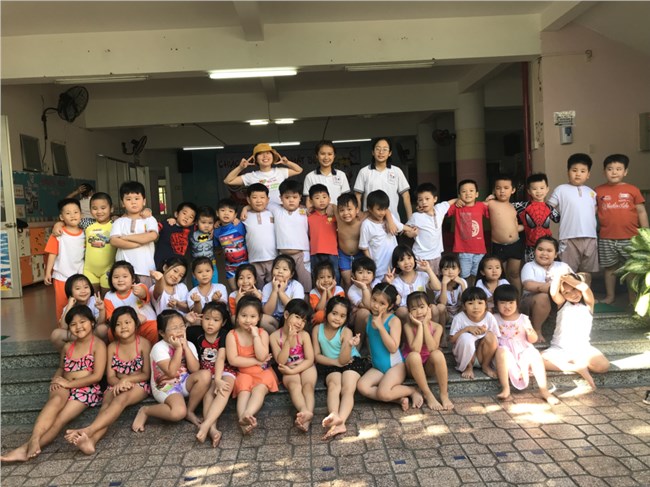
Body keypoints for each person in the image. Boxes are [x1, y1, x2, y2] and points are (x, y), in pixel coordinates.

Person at [1, 305, 106, 462]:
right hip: (64, 384)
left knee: (60, 419)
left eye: (82, 322)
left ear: (92, 322)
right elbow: (61, 368)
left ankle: (24, 449)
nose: (78, 327)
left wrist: (69, 385)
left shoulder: (98, 345)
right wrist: (56, 379)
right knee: (55, 401)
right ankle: (35, 439)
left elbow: (97, 376)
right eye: (73, 324)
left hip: (86, 389)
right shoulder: (68, 346)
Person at [64, 307, 152, 454]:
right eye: (118, 324)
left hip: (138, 384)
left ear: (136, 323)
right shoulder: (111, 347)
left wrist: (126, 381)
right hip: (115, 385)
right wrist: (119, 384)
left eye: (127, 322)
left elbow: (146, 374)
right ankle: (91, 441)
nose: (123, 327)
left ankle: (88, 430)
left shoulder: (144, 344)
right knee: (105, 406)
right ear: (113, 329)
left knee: (121, 399)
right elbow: (110, 376)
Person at [131, 309, 210, 432]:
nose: (179, 331)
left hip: (184, 381)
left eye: (182, 326)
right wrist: (178, 349)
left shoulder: (189, 344)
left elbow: (195, 369)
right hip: (165, 386)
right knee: (178, 413)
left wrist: (186, 347)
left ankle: (190, 411)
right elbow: (171, 373)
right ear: (162, 333)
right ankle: (146, 410)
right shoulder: (159, 348)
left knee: (205, 375)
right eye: (174, 328)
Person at [357, 283, 423, 410]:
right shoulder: (368, 319)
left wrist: (381, 328)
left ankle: (412, 390)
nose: (376, 305)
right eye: (374, 300)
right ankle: (398, 399)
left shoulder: (394, 321)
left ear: (390, 306)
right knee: (362, 386)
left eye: (382, 303)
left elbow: (393, 348)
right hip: (378, 368)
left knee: (383, 393)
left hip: (395, 367)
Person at [312, 296, 369, 440]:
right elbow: (316, 356)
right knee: (334, 385)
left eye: (342, 316)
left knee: (348, 388)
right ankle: (334, 414)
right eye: (334, 313)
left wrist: (349, 345)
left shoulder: (346, 331)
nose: (337, 318)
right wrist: (334, 362)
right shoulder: (317, 329)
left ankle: (341, 422)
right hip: (331, 363)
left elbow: (344, 360)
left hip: (351, 361)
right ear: (326, 312)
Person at [595, 154, 648, 304]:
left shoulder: (633, 190)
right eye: (610, 169)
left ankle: (632, 299)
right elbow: (591, 212)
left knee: (631, 269)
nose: (614, 172)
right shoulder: (598, 191)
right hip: (606, 237)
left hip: (631, 237)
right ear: (604, 171)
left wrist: (646, 233)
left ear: (625, 172)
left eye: (618, 169)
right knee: (610, 268)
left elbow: (641, 212)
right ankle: (610, 297)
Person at [542, 272, 610, 392]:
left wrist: (567, 278)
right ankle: (576, 367)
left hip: (582, 348)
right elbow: (553, 293)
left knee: (603, 366)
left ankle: (577, 360)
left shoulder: (588, 305)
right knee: (537, 360)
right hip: (560, 348)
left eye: (574, 289)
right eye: (566, 292)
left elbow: (585, 288)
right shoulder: (562, 304)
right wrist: (558, 277)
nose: (572, 295)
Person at [492, 284, 559, 404]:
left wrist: (531, 333)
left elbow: (532, 340)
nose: (507, 306)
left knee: (535, 354)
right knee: (502, 351)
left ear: (517, 303)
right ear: (496, 304)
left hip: (522, 351)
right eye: (502, 303)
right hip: (504, 353)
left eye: (511, 302)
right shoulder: (494, 318)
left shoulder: (523, 318)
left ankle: (544, 390)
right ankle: (505, 388)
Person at [226, 296, 278, 435]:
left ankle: (247, 414)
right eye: (244, 315)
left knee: (259, 389)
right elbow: (233, 360)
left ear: (259, 318)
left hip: (262, 372)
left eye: (253, 316)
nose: (248, 320)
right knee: (243, 391)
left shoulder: (262, 333)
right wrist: (256, 362)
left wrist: (255, 336)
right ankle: (242, 420)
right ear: (237, 316)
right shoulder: (232, 335)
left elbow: (262, 356)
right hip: (243, 372)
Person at [186, 302, 235, 447]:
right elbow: (180, 334)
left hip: (224, 370)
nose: (210, 323)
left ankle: (205, 425)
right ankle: (213, 429)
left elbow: (220, 358)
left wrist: (218, 379)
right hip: (207, 372)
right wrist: (187, 322)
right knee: (208, 395)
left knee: (223, 388)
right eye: (207, 318)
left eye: (216, 320)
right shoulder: (196, 332)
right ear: (201, 318)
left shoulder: (224, 334)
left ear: (223, 322)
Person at [547, 153, 598, 283]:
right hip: (569, 237)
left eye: (583, 171)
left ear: (588, 174)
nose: (578, 174)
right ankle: (569, 295)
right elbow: (548, 208)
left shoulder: (591, 192)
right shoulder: (561, 189)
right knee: (568, 271)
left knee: (586, 272)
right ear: (568, 172)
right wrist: (557, 218)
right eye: (574, 170)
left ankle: (585, 295)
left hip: (590, 237)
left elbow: (595, 211)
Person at [270, 299, 317, 432]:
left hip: (305, 366)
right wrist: (288, 340)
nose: (300, 323)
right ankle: (304, 411)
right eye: (297, 317)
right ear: (286, 315)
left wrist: (294, 370)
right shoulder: (274, 336)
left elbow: (310, 359)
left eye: (303, 320)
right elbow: (281, 361)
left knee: (308, 387)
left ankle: (307, 419)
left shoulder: (304, 335)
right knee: (294, 386)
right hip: (287, 367)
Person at [403, 291, 454, 411]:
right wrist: (419, 326)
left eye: (422, 307)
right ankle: (428, 394)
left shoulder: (437, 327)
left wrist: (425, 324)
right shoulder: (408, 326)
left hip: (428, 366)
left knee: (438, 354)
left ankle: (444, 394)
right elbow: (415, 349)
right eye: (414, 309)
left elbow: (432, 348)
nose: (419, 312)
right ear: (409, 312)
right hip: (412, 366)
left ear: (429, 308)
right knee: (414, 356)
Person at [520, 236, 572, 342]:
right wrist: (556, 287)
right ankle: (537, 330)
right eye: (540, 249)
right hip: (531, 302)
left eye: (549, 251)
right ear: (534, 251)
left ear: (556, 254)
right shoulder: (529, 266)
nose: (544, 253)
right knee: (543, 297)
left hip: (558, 301)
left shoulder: (562, 266)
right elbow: (528, 285)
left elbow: (575, 282)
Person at [110, 181, 159, 288]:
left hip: (145, 270)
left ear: (144, 201)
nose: (133, 202)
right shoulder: (119, 222)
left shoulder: (149, 219)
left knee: (144, 296)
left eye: (137, 198)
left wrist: (125, 237)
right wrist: (138, 243)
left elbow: (152, 236)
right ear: (122, 203)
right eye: (128, 199)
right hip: (122, 273)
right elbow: (114, 241)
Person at [353, 137, 412, 226]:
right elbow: (357, 196)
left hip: (393, 222)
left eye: (385, 149)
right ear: (373, 152)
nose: (381, 152)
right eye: (378, 149)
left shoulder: (397, 171)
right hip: (370, 222)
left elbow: (406, 196)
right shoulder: (364, 172)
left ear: (390, 153)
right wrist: (358, 215)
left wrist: (410, 221)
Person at [359, 190, 415, 281]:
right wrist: (372, 265)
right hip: (379, 268)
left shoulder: (389, 218)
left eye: (384, 209)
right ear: (369, 209)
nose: (382, 212)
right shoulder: (366, 225)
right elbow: (364, 248)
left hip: (395, 266)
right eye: (379, 209)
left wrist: (412, 229)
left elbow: (399, 226)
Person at [44, 198, 85, 320]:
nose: (73, 215)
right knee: (62, 304)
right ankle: (62, 327)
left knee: (81, 304)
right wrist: (48, 272)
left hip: (80, 275)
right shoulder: (58, 234)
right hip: (61, 276)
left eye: (76, 212)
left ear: (81, 214)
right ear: (61, 217)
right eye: (68, 213)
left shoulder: (85, 233)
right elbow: (52, 253)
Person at [224, 143, 303, 206]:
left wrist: (287, 163)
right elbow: (228, 181)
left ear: (273, 156)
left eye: (268, 153)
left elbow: (299, 170)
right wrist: (240, 167)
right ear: (256, 159)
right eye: (261, 154)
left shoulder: (280, 172)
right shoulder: (251, 176)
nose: (265, 156)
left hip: (280, 211)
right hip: (261, 213)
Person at [383, 245, 443, 326]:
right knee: (401, 311)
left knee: (434, 309)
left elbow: (438, 287)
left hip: (423, 309)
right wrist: (390, 284)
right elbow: (397, 301)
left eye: (409, 258)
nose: (407, 262)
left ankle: (433, 332)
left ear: (414, 259)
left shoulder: (422, 275)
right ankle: (411, 333)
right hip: (407, 311)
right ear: (397, 264)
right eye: (402, 260)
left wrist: (428, 270)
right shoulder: (396, 281)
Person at [269, 179, 311, 291]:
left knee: (306, 287)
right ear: (281, 198)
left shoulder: (305, 211)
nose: (291, 200)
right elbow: (259, 202)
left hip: (302, 256)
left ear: (300, 197)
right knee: (282, 287)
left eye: (295, 197)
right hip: (283, 257)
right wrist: (245, 208)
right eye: (287, 197)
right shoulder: (276, 209)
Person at [449, 287, 499, 380]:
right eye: (470, 303)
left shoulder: (489, 317)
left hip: (482, 355)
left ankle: (486, 366)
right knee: (465, 337)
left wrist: (485, 332)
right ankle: (468, 367)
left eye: (480, 303)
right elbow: (452, 339)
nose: (476, 307)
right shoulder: (459, 318)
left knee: (490, 335)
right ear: (464, 306)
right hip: (465, 358)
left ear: (485, 305)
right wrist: (467, 329)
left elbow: (496, 339)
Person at [406, 182, 456, 274]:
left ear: (435, 199)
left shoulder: (439, 209)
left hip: (436, 256)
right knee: (422, 281)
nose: (424, 202)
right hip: (420, 257)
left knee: (436, 279)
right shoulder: (416, 216)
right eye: (420, 200)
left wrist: (459, 200)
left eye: (427, 199)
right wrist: (411, 234)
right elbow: (406, 230)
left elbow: (450, 202)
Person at [103, 261, 158, 345]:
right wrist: (134, 320)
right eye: (116, 277)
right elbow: (111, 318)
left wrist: (140, 292)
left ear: (133, 279)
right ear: (111, 279)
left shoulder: (139, 287)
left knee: (154, 327)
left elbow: (143, 294)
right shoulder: (109, 296)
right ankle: (120, 352)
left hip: (146, 324)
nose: (120, 280)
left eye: (125, 276)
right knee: (111, 332)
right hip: (124, 328)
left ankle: (151, 350)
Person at [446, 179, 489, 286]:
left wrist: (492, 200)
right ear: (459, 194)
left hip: (479, 249)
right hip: (463, 250)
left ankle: (475, 292)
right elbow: (443, 212)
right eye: (464, 191)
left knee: (477, 275)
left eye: (471, 190)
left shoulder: (481, 206)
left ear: (477, 194)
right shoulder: (457, 207)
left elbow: (493, 212)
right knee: (464, 275)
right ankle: (465, 292)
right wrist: (455, 201)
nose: (468, 193)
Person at [485, 175, 524, 293]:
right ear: (494, 190)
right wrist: (486, 200)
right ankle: (501, 299)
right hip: (499, 246)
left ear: (513, 190)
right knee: (499, 275)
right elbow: (475, 207)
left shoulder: (513, 207)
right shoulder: (491, 204)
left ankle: (517, 299)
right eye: (498, 188)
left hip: (515, 244)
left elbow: (514, 226)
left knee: (514, 274)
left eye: (506, 188)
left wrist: (527, 227)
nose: (502, 191)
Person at [51, 274, 106, 351]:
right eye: (78, 288)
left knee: (103, 328)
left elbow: (100, 323)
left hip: (92, 335)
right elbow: (63, 327)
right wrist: (69, 306)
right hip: (76, 335)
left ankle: (97, 352)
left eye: (86, 287)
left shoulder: (94, 301)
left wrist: (102, 310)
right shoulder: (69, 306)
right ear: (70, 292)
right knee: (56, 334)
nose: (83, 291)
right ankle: (72, 354)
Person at [514, 173, 560, 263]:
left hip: (547, 244)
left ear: (547, 189)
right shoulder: (524, 206)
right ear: (528, 191)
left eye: (542, 188)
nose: (538, 191)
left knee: (548, 267)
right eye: (534, 189)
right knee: (531, 266)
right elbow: (506, 206)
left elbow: (557, 218)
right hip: (530, 245)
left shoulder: (549, 208)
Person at [242, 184, 277, 289]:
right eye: (254, 197)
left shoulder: (273, 213)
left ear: (267, 200)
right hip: (254, 259)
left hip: (273, 258)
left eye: (262, 197)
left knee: (273, 287)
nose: (258, 201)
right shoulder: (245, 216)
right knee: (257, 287)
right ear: (248, 200)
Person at [82, 192, 117, 295]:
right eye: (94, 208)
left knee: (107, 298)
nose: (99, 211)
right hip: (89, 270)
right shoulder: (86, 223)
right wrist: (58, 224)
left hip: (108, 270)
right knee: (92, 299)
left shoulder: (116, 224)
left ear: (111, 209)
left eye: (103, 208)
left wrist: (147, 211)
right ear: (90, 210)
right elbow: (70, 221)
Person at [262, 255, 305, 332]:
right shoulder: (267, 287)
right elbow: (267, 312)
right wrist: (274, 291)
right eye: (277, 268)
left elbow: (296, 310)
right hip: (275, 321)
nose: (280, 271)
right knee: (263, 319)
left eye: (285, 269)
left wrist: (281, 292)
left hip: (290, 319)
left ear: (291, 274)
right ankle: (276, 336)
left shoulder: (297, 286)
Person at [303, 140, 351, 211]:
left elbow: (345, 199)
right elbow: (308, 201)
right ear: (317, 156)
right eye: (322, 154)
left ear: (334, 156)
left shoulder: (341, 175)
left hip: (338, 215)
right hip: (318, 215)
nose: (326, 157)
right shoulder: (310, 177)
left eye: (330, 154)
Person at [214, 198, 249, 292]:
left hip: (245, 264)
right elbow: (217, 249)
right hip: (230, 267)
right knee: (234, 290)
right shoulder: (216, 231)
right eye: (222, 210)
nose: (226, 213)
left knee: (247, 289)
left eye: (230, 211)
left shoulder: (239, 225)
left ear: (235, 215)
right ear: (217, 213)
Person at [308, 184, 340, 283]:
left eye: (324, 197)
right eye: (317, 198)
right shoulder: (309, 217)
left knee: (335, 275)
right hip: (315, 252)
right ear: (311, 201)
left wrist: (333, 206)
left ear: (329, 199)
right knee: (316, 276)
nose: (321, 200)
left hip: (332, 252)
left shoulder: (335, 215)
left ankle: (336, 292)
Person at [154, 201, 196, 271]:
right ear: (176, 214)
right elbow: (152, 229)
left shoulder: (191, 229)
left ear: (192, 222)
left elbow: (205, 223)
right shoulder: (167, 224)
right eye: (184, 213)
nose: (186, 217)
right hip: (161, 264)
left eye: (191, 217)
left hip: (179, 268)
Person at [336, 193, 367, 290]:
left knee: (361, 280)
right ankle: (348, 299)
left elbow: (377, 210)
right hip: (343, 255)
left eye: (349, 209)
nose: (345, 213)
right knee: (347, 281)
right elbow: (330, 206)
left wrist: (390, 221)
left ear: (357, 210)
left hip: (359, 254)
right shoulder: (338, 218)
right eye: (342, 210)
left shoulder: (362, 218)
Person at [434, 253, 468, 326]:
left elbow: (466, 301)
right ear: (441, 271)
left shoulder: (462, 281)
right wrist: (444, 284)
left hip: (459, 313)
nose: (450, 272)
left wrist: (462, 284)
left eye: (453, 268)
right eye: (446, 269)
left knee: (468, 305)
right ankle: (442, 330)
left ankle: (462, 326)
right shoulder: (438, 283)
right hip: (446, 315)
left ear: (459, 270)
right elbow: (443, 303)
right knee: (440, 307)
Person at [189, 206, 219, 285]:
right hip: (196, 266)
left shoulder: (214, 233)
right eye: (203, 222)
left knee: (214, 286)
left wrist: (217, 224)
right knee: (197, 287)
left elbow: (225, 223)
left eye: (210, 223)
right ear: (196, 222)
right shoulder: (191, 234)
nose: (206, 226)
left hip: (211, 265)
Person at [309, 260, 345, 326]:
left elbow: (336, 307)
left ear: (334, 278)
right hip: (322, 319)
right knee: (319, 315)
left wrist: (329, 290)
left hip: (337, 314)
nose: (326, 280)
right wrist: (325, 291)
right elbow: (319, 309)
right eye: (322, 277)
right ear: (316, 280)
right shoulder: (313, 292)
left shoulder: (339, 289)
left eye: (329, 277)